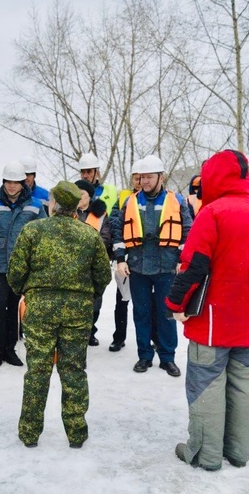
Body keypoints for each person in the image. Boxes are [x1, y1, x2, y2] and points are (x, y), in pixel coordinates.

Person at [165, 150, 249, 471]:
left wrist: (175, 303)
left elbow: (194, 266)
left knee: (206, 381)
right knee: (244, 380)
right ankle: (239, 451)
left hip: (212, 318)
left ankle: (206, 454)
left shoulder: (213, 212)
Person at [7, 181, 112, 449]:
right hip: (77, 312)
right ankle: (76, 433)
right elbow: (103, 276)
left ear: (53, 203)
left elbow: (16, 272)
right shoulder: (89, 235)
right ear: (77, 204)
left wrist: (27, 291)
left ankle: (29, 433)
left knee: (38, 370)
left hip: (41, 308)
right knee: (74, 369)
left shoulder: (33, 231)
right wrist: (86, 294)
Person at [113, 155, 193, 376]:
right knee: (142, 313)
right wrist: (120, 258)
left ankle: (168, 358)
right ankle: (144, 356)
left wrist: (182, 259)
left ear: (161, 177)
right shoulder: (130, 201)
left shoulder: (176, 200)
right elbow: (119, 231)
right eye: (141, 177)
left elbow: (188, 231)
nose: (145, 181)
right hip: (138, 267)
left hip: (167, 267)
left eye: (149, 177)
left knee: (166, 313)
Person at [0, 160, 47, 370]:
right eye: (8, 182)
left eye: (16, 182)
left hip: (23, 269)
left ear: (24, 183)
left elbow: (43, 237)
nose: (12, 186)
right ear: (3, 182)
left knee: (14, 310)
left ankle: (10, 349)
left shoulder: (35, 206)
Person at [110, 161, 144, 352]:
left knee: (149, 303)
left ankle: (152, 339)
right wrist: (120, 254)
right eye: (136, 177)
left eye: (142, 177)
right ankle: (119, 337)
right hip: (127, 256)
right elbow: (115, 223)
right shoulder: (124, 198)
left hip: (145, 257)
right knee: (121, 300)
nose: (139, 181)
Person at [75, 179, 112, 346]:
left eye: (82, 194)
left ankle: (90, 331)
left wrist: (88, 250)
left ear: (90, 196)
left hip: (93, 264)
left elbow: (105, 237)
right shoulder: (67, 212)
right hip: (73, 265)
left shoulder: (101, 214)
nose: (79, 197)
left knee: (94, 302)